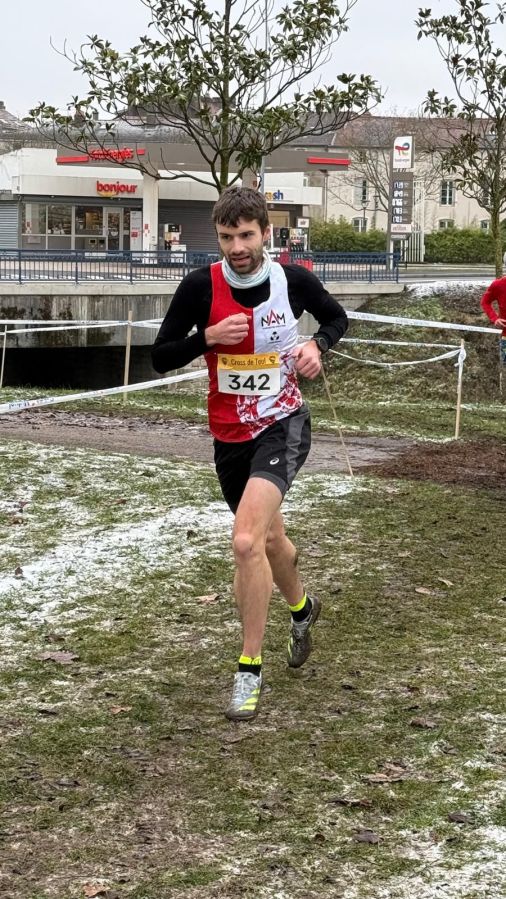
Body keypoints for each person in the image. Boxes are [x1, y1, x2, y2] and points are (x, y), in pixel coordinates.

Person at [151, 187, 348, 721]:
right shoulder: (199, 287)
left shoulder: (293, 281)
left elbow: (337, 319)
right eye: (226, 237)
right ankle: (302, 610)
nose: (237, 247)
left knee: (244, 541)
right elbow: (160, 357)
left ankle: (248, 668)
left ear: (265, 233)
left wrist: (316, 346)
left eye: (246, 235)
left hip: (282, 424)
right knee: (270, 539)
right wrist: (207, 338)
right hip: (229, 434)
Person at [480, 277, 506, 365]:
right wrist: (495, 318)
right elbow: (485, 302)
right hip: (505, 335)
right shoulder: (498, 285)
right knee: (504, 367)